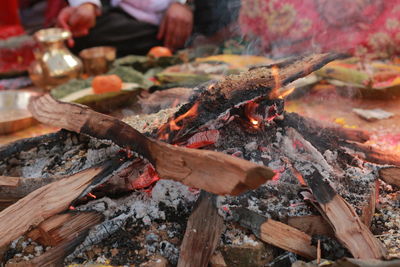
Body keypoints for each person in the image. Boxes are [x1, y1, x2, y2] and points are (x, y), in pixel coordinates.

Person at [58, 0, 240, 57]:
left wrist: (183, 3)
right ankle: (186, 44)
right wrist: (87, 5)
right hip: (130, 16)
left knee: (222, 8)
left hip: (194, 10)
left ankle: (196, 40)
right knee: (83, 35)